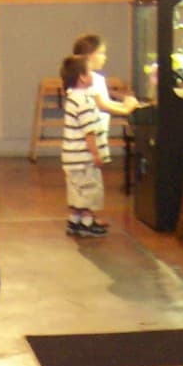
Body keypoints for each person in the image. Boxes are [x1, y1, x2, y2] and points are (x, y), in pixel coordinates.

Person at [60, 52, 108, 239]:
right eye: (89, 72)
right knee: (90, 190)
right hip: (84, 158)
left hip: (72, 159)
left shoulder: (72, 98)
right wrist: (96, 154)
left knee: (76, 190)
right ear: (82, 77)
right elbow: (89, 131)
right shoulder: (84, 101)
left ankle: (74, 220)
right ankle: (87, 223)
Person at [71, 32, 138, 128]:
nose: (104, 57)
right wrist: (125, 109)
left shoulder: (97, 78)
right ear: (88, 56)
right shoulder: (86, 80)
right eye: (101, 53)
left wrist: (124, 104)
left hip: (99, 132)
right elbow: (102, 105)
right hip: (87, 136)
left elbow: (106, 101)